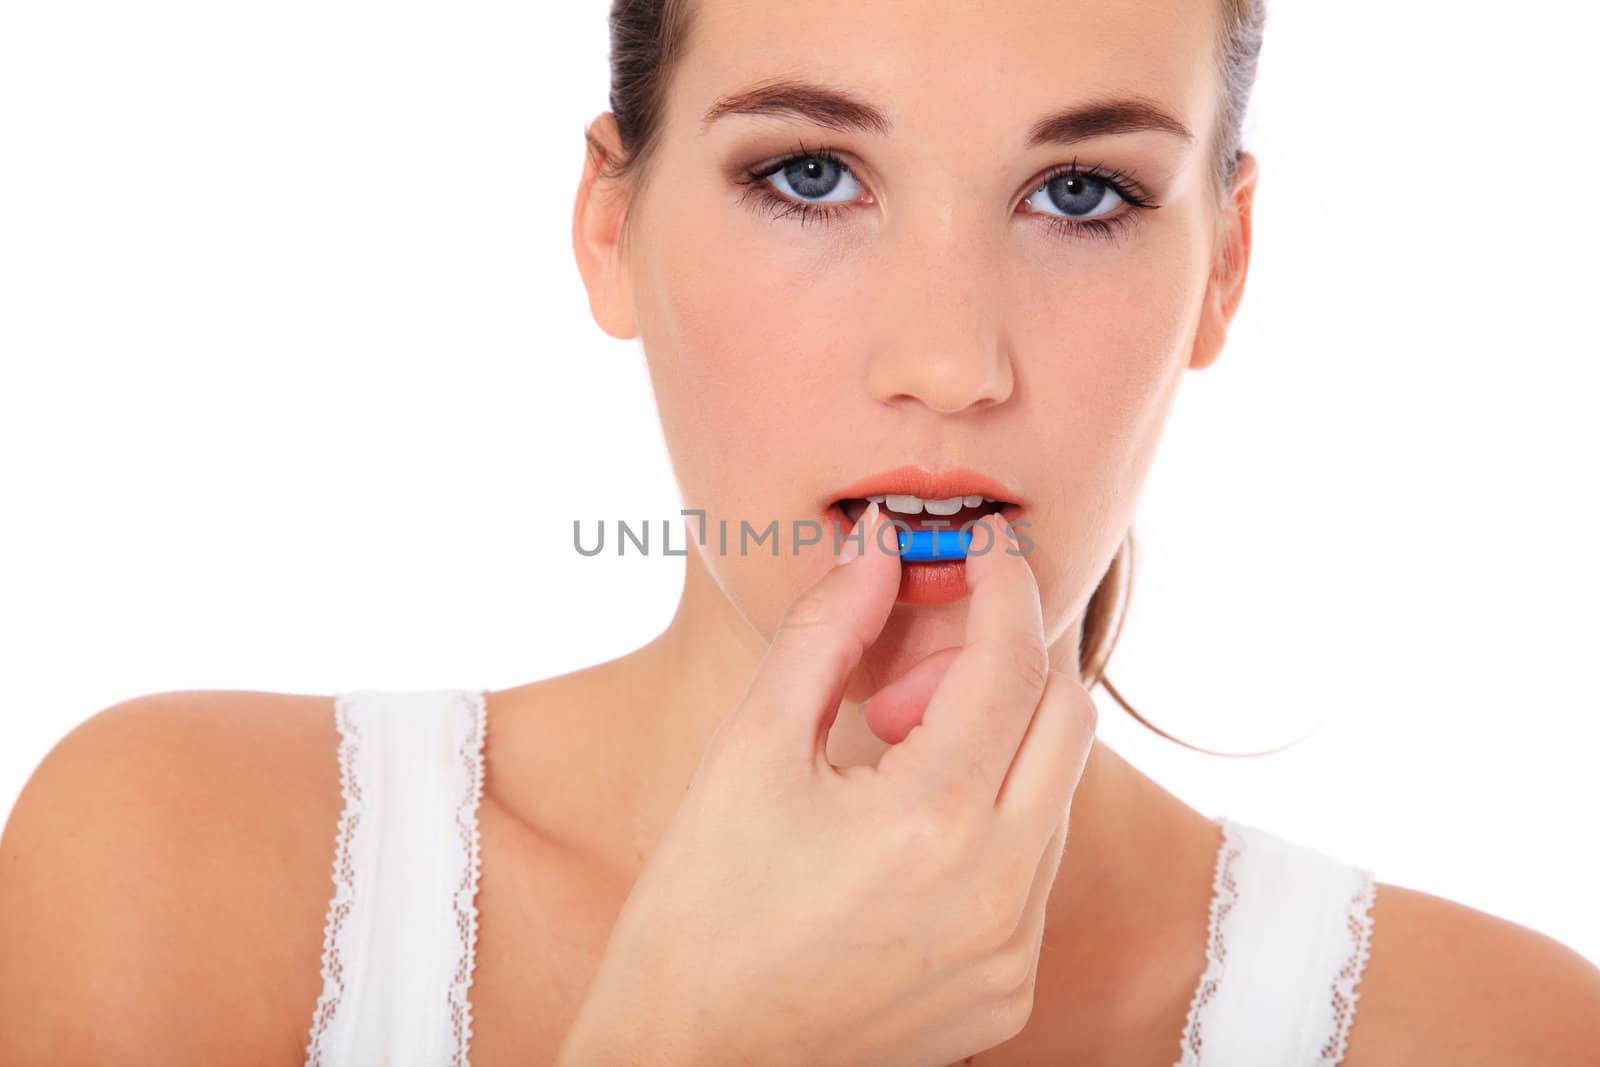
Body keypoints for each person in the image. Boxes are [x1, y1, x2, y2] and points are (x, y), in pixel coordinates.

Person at [3, 0, 1599, 1063]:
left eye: (1085, 195)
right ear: (611, 228)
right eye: (813, 174)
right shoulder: (175, 867)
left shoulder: (1493, 1033)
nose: (951, 366)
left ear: (1226, 268)